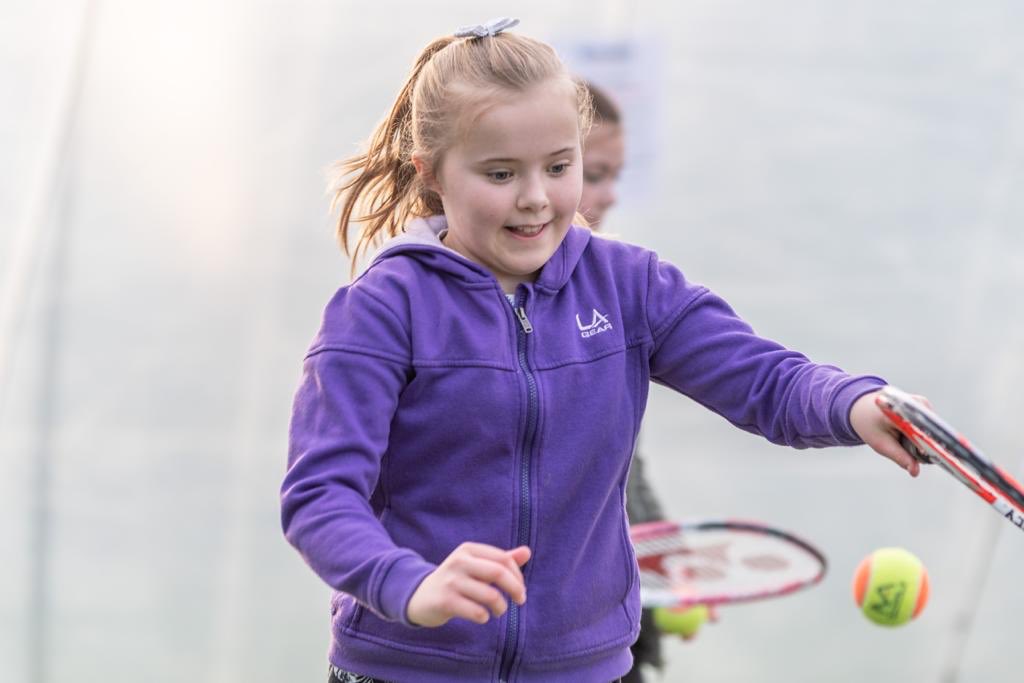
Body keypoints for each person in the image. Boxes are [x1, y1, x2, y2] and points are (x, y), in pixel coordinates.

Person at [281, 18, 922, 683]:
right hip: (405, 670)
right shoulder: (382, 308)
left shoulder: (630, 286)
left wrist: (855, 402)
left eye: (559, 166)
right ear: (432, 173)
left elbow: (767, 380)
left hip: (587, 670)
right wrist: (407, 586)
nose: (535, 198)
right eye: (500, 172)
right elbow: (320, 495)